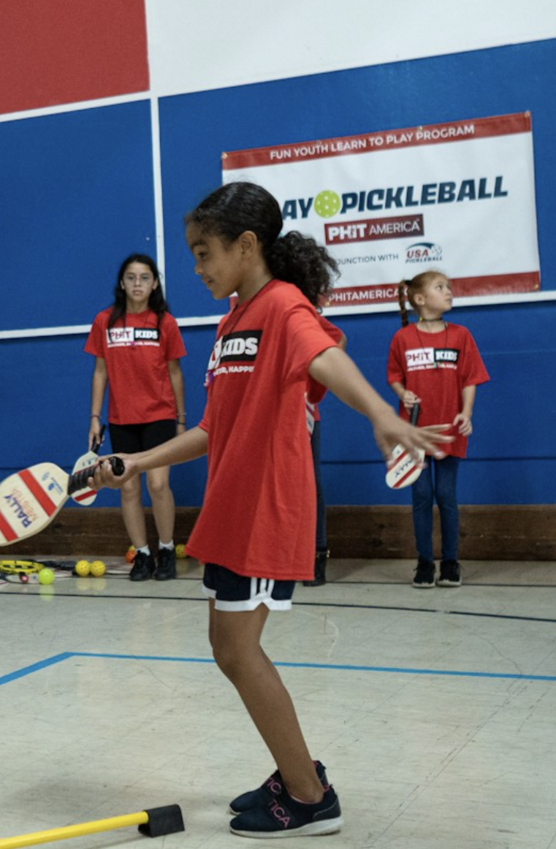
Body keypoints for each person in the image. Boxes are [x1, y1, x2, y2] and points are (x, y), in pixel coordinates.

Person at [93, 182, 448, 838]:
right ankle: (295, 773)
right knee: (227, 648)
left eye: (204, 252)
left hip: (264, 507)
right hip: (230, 506)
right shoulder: (232, 322)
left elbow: (326, 355)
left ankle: (310, 796)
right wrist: (140, 462)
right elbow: (212, 427)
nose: (195, 267)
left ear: (247, 245)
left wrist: (379, 414)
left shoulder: (282, 306)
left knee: (237, 649)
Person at [84, 253, 187, 580]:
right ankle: (143, 555)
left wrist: (181, 421)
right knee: (128, 489)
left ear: (154, 283)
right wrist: (95, 417)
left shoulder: (164, 322)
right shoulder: (105, 321)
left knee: (158, 485)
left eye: (144, 277)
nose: (138, 283)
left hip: (159, 416)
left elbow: (176, 373)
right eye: (131, 277)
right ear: (122, 283)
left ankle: (167, 549)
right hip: (121, 418)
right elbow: (100, 371)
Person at [387, 270, 488, 589]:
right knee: (420, 496)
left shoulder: (461, 335)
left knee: (446, 495)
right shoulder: (401, 338)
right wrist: (402, 393)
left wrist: (467, 413)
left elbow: (471, 378)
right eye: (441, 287)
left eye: (449, 287)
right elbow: (394, 376)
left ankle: (450, 563)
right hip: (413, 431)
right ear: (420, 299)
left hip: (449, 430)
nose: (449, 292)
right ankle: (424, 563)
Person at [303, 314, 346, 587]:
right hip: (268, 415)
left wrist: (318, 379)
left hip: (304, 413)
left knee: (310, 484)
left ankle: (317, 553)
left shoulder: (301, 312)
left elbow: (337, 338)